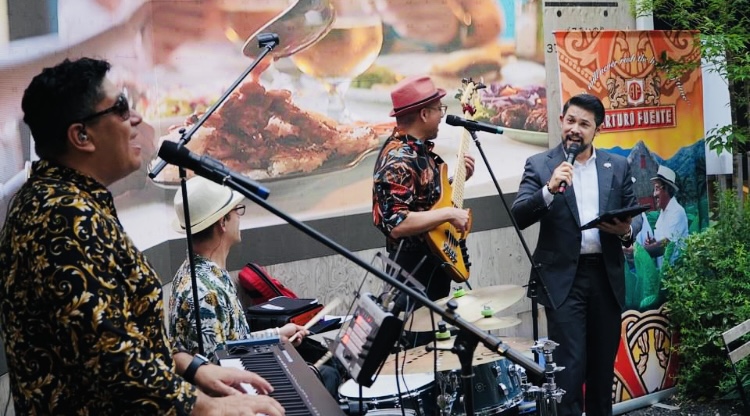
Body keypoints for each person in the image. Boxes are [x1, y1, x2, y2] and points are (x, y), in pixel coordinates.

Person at [0, 57, 283, 415]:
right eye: (121, 107)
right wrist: (210, 408)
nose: (136, 118)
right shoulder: (62, 216)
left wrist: (192, 367)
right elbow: (109, 357)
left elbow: (120, 331)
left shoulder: (63, 199)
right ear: (81, 136)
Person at [511, 93, 640, 416]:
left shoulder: (617, 166)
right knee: (568, 371)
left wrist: (625, 231)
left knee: (601, 371)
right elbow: (520, 214)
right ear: (561, 121)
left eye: (584, 124)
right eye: (570, 121)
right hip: (563, 281)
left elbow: (634, 217)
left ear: (598, 129)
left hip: (606, 278)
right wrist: (548, 190)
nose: (575, 129)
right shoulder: (540, 165)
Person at [168, 176, 341, 397]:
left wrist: (277, 335)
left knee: (327, 368)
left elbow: (231, 344)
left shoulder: (199, 272)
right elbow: (219, 374)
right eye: (236, 211)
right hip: (235, 399)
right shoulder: (206, 292)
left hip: (239, 379)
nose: (239, 218)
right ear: (222, 222)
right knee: (327, 375)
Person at [372, 75, 475, 312]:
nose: (442, 116)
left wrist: (457, 180)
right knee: (414, 334)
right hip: (411, 274)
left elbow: (423, 201)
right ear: (424, 114)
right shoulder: (398, 159)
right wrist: (450, 214)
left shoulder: (418, 153)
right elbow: (396, 223)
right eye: (439, 109)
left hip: (431, 266)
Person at [644, 165, 688, 268]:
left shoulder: (677, 212)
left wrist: (639, 251)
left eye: (657, 189)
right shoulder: (663, 213)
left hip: (677, 272)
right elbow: (662, 241)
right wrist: (653, 243)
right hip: (665, 271)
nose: (654, 194)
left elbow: (667, 244)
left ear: (667, 189)